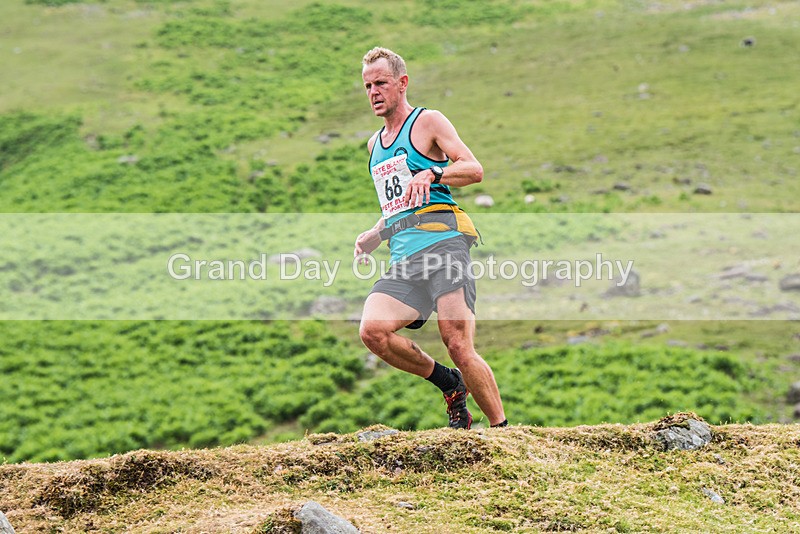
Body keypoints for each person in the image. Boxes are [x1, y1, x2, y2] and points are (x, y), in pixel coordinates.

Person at [354, 47, 507, 429]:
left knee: (457, 342)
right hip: (404, 256)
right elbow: (398, 205)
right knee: (372, 331)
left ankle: (502, 430)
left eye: (381, 83)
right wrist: (376, 233)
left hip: (443, 244)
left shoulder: (428, 122)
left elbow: (473, 169)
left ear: (402, 83)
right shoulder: (374, 146)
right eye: (368, 85)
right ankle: (447, 382)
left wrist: (433, 174)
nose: (374, 92)